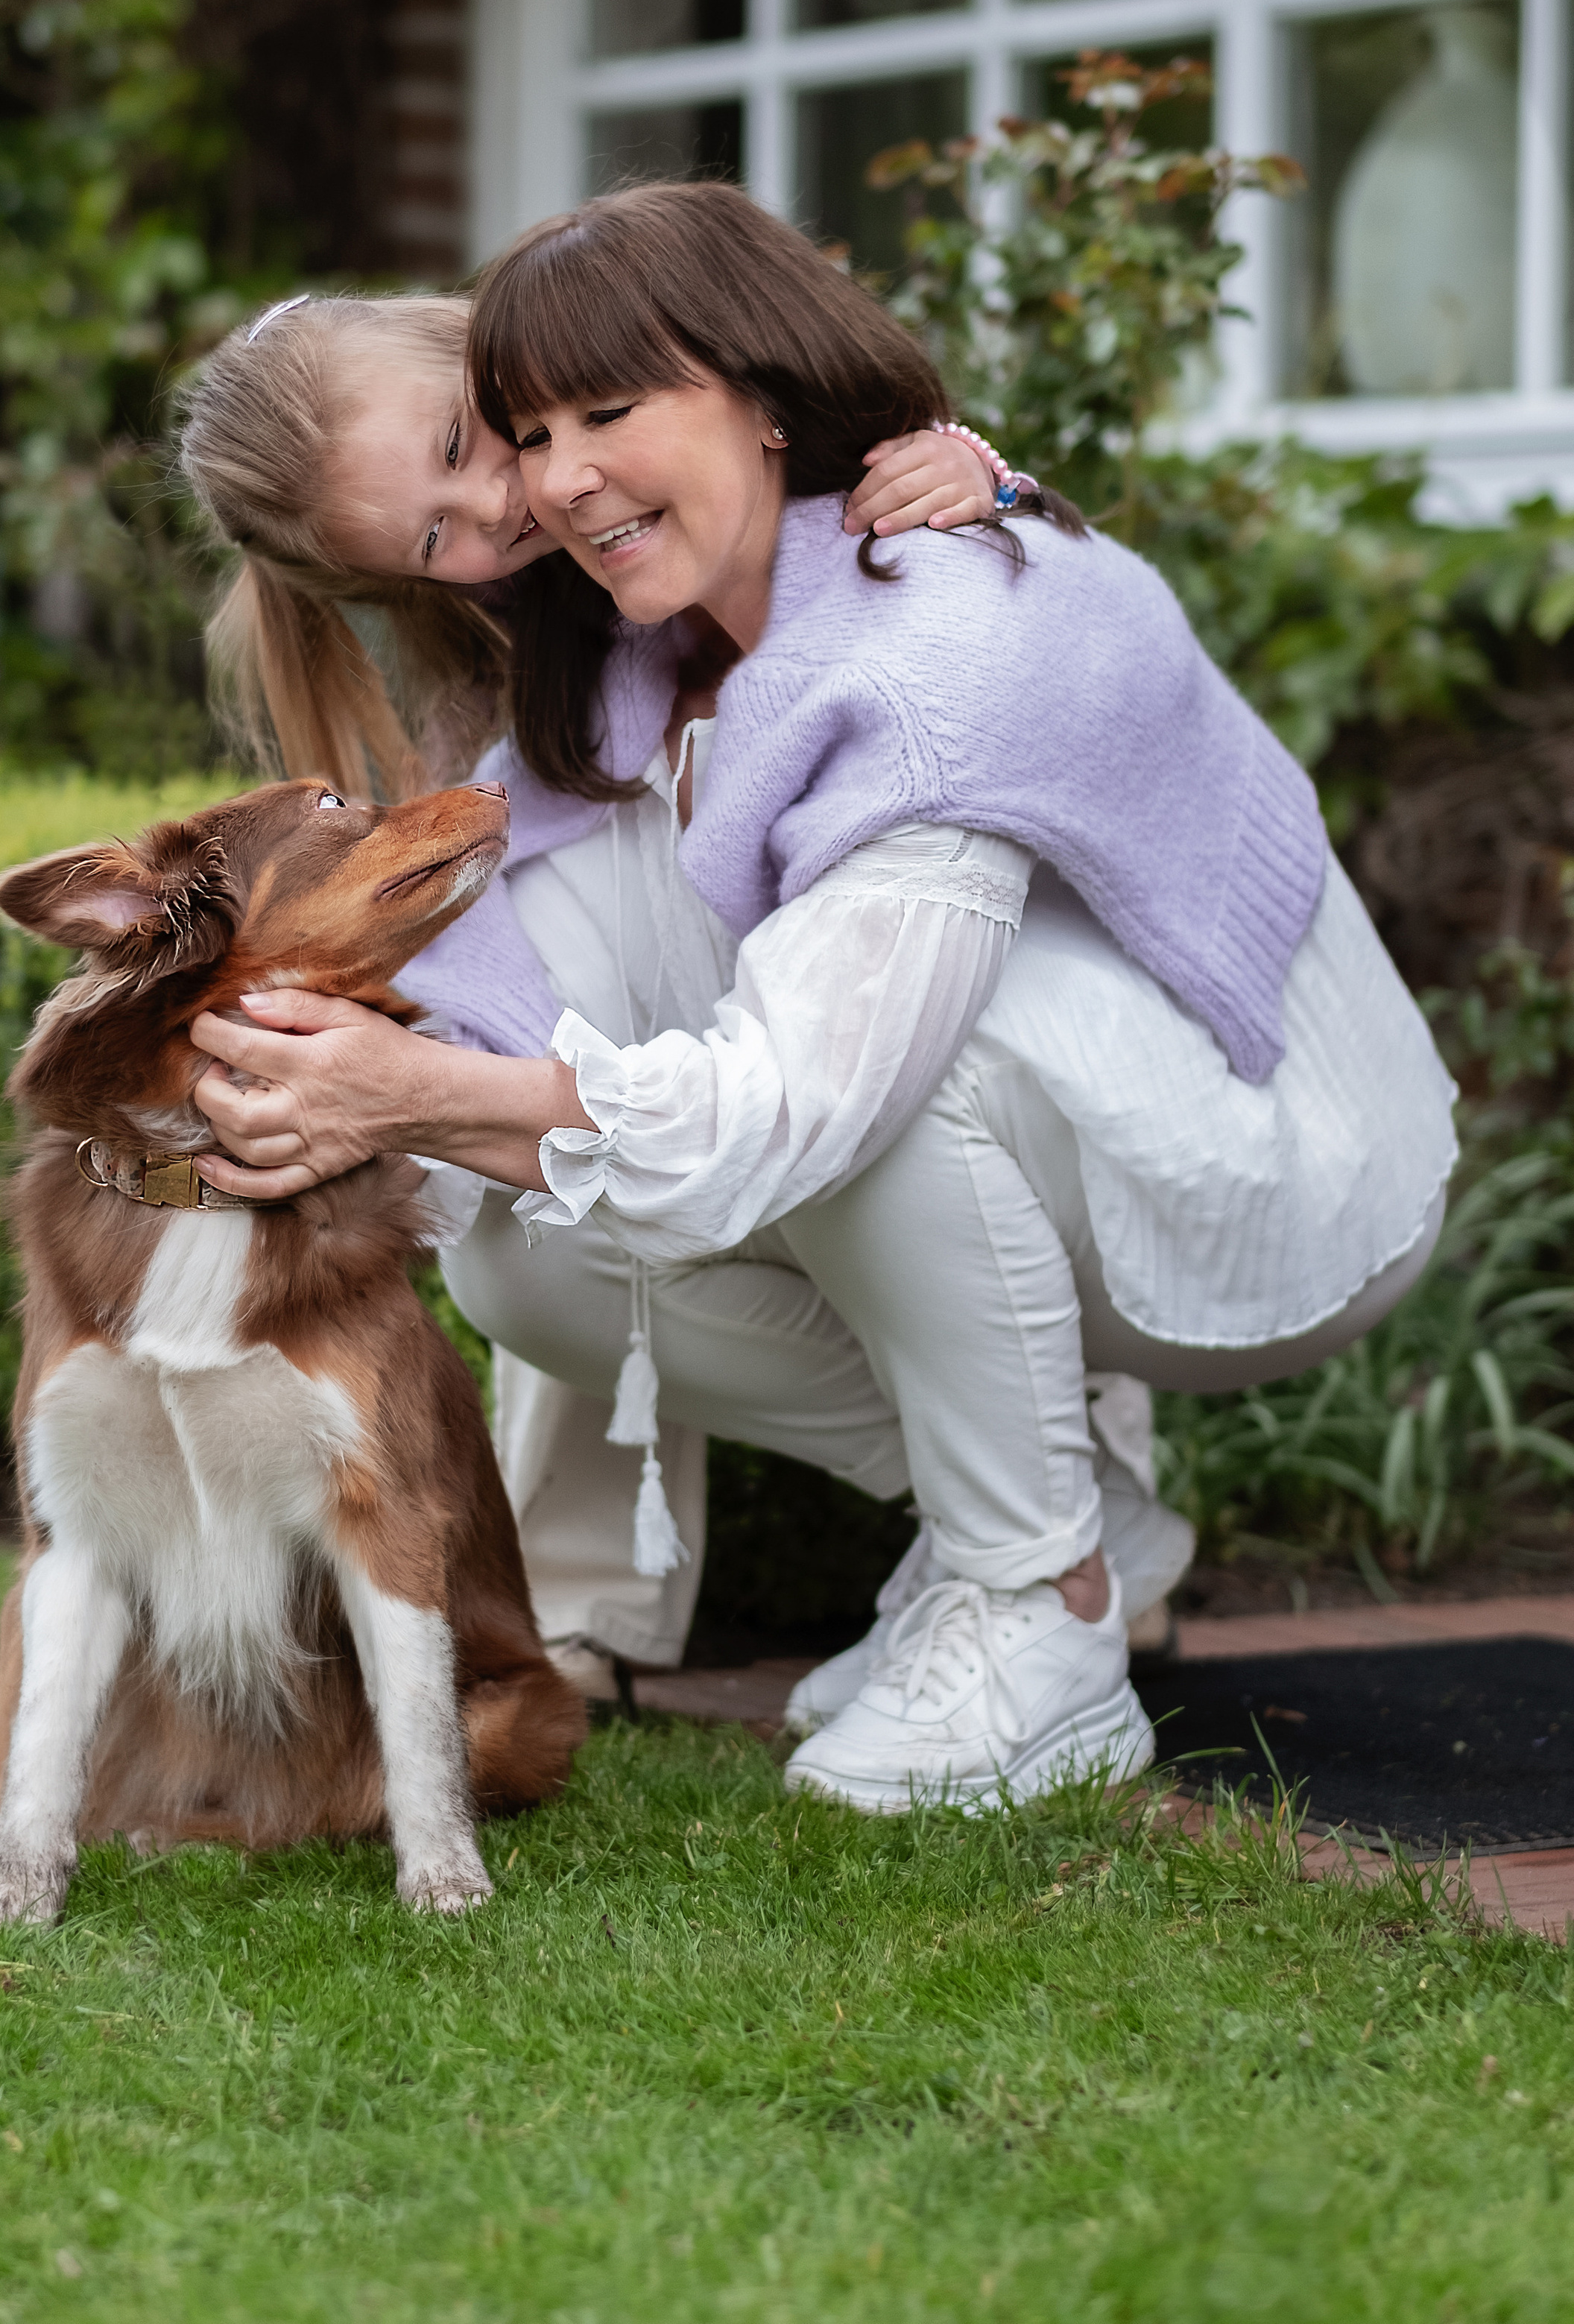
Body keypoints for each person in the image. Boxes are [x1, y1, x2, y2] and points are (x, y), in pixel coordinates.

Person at [180, 183, 1458, 1819]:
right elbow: (531, 1027)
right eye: (438, 531)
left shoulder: (912, 594)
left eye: (490, 435)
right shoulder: (607, 646)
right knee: (524, 1245)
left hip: (1267, 1155)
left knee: (878, 1084)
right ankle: (1045, 1527)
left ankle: (1040, 1608)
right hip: (1068, 1123)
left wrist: (417, 1096)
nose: (523, 494)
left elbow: (810, 1089)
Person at [177, 277, 1039, 1695]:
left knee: (797, 1107)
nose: (498, 512)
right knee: (543, 1131)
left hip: (894, 923)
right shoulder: (510, 640)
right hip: (693, 960)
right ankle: (578, 1588)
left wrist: (978, 472)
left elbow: (885, 510)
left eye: (468, 443)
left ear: (476, 345)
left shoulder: (655, 398)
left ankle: (1035, 1497)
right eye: (433, 538)